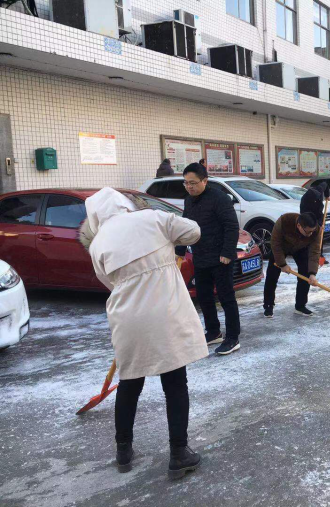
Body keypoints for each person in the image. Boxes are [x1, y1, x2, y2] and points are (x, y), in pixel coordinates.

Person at [79, 187, 207, 479]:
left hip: (127, 318)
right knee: (175, 383)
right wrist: (167, 240)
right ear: (125, 204)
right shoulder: (153, 218)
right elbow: (194, 232)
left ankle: (123, 450)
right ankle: (179, 454)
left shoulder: (98, 243)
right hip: (165, 314)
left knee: (130, 383)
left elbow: (108, 281)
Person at [175, 163, 241, 355]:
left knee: (226, 297)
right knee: (204, 297)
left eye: (193, 183)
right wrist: (180, 249)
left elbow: (231, 226)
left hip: (221, 258)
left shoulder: (220, 199)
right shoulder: (189, 201)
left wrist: (227, 252)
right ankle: (213, 332)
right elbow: (185, 225)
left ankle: (233, 338)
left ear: (205, 181)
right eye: (186, 183)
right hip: (201, 256)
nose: (189, 187)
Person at [263, 212, 321, 318]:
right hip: (281, 247)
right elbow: (275, 244)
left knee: (305, 273)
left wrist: (312, 273)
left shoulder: (316, 230)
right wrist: (282, 264)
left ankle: (300, 306)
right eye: (308, 232)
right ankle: (268, 304)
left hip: (300, 248)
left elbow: (315, 251)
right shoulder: (284, 221)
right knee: (272, 274)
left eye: (312, 231)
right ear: (299, 226)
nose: (311, 234)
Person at [300, 182, 330, 262]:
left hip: (318, 216)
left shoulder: (319, 189)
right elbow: (304, 216)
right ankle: (308, 256)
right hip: (309, 218)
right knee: (309, 237)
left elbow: (325, 184)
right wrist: (314, 225)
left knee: (320, 236)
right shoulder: (305, 202)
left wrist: (327, 195)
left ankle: (319, 255)